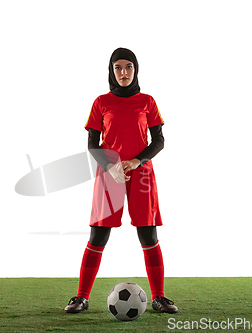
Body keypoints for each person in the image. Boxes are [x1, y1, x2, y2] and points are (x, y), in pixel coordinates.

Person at [64, 47, 177, 314]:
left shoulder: (147, 101)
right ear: (111, 71)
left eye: (128, 67)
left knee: (148, 234)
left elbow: (159, 141)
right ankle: (81, 297)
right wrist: (111, 167)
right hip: (109, 175)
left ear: (135, 70)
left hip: (142, 175)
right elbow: (92, 144)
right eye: (118, 68)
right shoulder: (101, 102)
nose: (123, 72)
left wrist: (137, 161)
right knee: (98, 235)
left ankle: (159, 297)